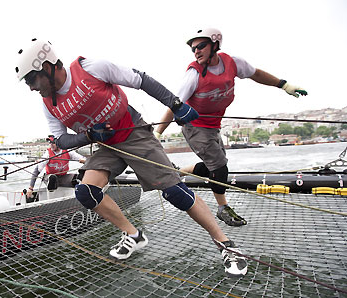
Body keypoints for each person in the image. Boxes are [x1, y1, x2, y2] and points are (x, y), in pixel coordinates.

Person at [14, 38, 247, 277]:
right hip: (106, 145)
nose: (31, 87)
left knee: (175, 193)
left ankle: (227, 246)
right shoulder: (48, 104)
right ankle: (134, 235)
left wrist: (176, 105)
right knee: (86, 192)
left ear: (48, 67)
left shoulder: (90, 68)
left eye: (32, 79)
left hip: (133, 132)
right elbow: (61, 140)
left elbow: (140, 79)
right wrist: (89, 136)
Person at [154, 28, 307, 227]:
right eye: (193, 49)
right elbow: (174, 105)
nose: (196, 52)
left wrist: (283, 85)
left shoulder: (233, 63)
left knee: (214, 166)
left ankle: (178, 173)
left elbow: (256, 74)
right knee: (219, 166)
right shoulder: (194, 74)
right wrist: (158, 132)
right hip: (195, 126)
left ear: (215, 45)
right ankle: (222, 208)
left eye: (201, 46)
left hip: (213, 125)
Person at [26, 135, 86, 199]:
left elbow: (82, 159)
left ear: (59, 143)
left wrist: (84, 161)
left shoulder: (68, 151)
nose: (51, 145)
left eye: (53, 143)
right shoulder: (48, 154)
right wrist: (30, 188)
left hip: (63, 177)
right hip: (49, 177)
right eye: (50, 143)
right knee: (53, 179)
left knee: (80, 177)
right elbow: (36, 171)